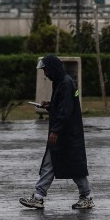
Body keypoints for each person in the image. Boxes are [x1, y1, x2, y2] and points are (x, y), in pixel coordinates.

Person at [20, 55, 93, 210]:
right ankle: (38, 196)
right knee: (51, 163)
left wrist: (55, 131)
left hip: (67, 134)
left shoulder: (65, 83)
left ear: (52, 68)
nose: (45, 74)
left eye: (45, 70)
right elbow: (62, 106)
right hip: (64, 133)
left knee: (74, 166)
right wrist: (50, 105)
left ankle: (86, 197)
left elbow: (66, 111)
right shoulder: (61, 82)